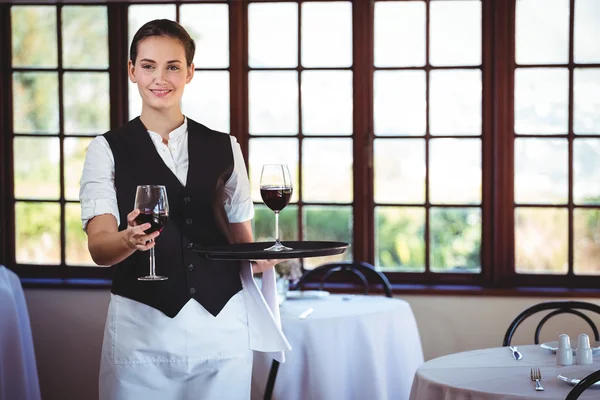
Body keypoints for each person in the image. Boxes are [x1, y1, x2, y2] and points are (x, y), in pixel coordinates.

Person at [79, 19, 290, 399]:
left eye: (173, 66)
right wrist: (128, 239)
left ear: (190, 72)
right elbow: (99, 249)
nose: (161, 78)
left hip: (221, 326)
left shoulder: (226, 146)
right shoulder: (105, 149)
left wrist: (265, 257)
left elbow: (243, 246)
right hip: (142, 329)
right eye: (148, 66)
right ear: (132, 71)